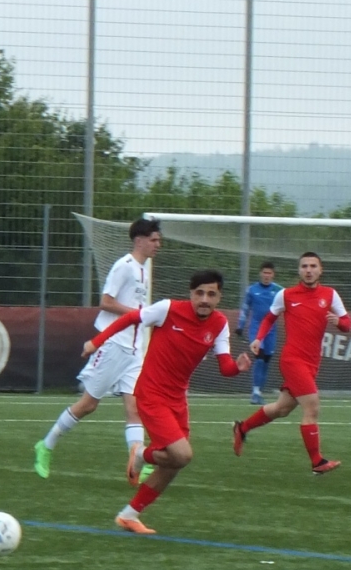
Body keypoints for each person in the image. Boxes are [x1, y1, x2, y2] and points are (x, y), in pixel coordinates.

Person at [84, 270, 249, 534]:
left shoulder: (219, 324)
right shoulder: (167, 309)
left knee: (175, 463)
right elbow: (130, 318)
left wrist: (237, 368)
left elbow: (224, 367)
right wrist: (96, 341)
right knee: (182, 454)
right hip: (151, 394)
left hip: (177, 399)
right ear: (191, 294)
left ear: (219, 298)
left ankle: (129, 515)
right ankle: (140, 454)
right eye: (199, 293)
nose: (204, 299)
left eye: (211, 294)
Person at [35, 218, 162, 482]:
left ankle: (138, 463)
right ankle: (46, 445)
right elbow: (106, 301)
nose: (157, 245)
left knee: (135, 408)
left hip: (134, 350)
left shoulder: (144, 270)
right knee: (88, 405)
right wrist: (136, 314)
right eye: (154, 240)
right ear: (139, 240)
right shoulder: (124, 266)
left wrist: (144, 319)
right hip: (114, 345)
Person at [233, 251, 351, 474]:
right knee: (312, 407)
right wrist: (258, 338)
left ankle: (242, 428)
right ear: (299, 270)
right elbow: (269, 317)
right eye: (304, 266)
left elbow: (347, 324)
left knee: (282, 408)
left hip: (312, 362)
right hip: (292, 360)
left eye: (313, 266)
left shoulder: (330, 294)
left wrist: (338, 322)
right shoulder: (286, 295)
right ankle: (317, 462)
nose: (308, 270)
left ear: (320, 270)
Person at [239, 261, 282, 405]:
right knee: (259, 359)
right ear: (260, 273)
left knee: (266, 362)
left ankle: (259, 392)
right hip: (256, 329)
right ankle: (255, 393)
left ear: (273, 275)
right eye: (264, 272)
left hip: (271, 331)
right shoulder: (251, 290)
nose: (266, 276)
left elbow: (291, 304)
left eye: (269, 273)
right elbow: (245, 308)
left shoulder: (279, 290)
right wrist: (240, 326)